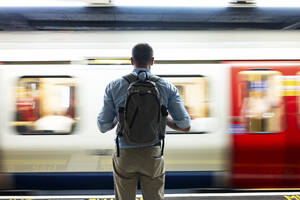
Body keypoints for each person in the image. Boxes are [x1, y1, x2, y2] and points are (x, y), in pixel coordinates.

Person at [97, 43, 191, 200]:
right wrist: (165, 117)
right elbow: (185, 125)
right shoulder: (167, 87)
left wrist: (119, 117)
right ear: (152, 61)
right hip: (152, 153)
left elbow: (103, 125)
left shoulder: (114, 86)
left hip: (125, 153)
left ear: (131, 60)